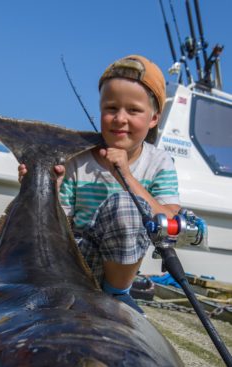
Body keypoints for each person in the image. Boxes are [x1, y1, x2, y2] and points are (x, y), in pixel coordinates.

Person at [18, 54, 180, 313]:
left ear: (153, 119)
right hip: (75, 263)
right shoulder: (77, 160)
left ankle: (117, 294)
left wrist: (126, 176)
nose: (120, 118)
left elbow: (170, 223)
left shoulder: (160, 162)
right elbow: (58, 228)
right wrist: (45, 189)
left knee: (126, 204)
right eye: (111, 108)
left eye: (134, 110)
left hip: (120, 269)